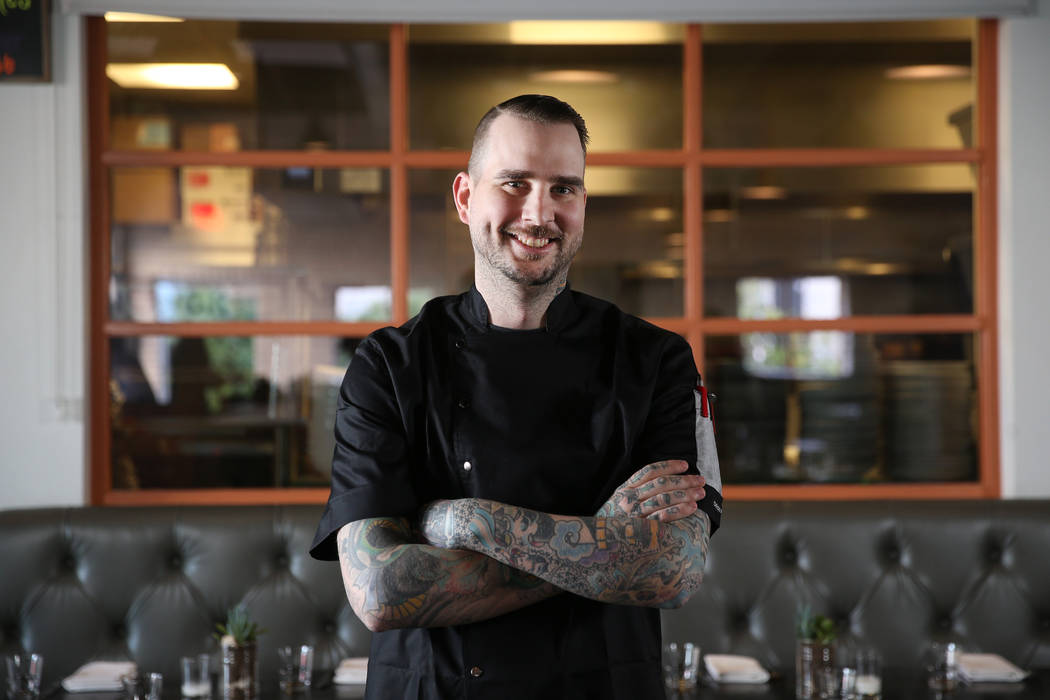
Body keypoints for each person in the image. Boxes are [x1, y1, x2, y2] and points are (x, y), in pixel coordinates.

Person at [310, 94, 723, 699]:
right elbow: (379, 591)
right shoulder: (389, 365)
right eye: (514, 182)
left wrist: (467, 519)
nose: (539, 213)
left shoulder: (656, 361)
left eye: (564, 188)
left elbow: (673, 570)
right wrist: (601, 539)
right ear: (464, 197)